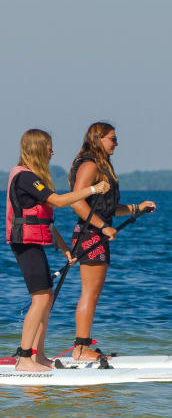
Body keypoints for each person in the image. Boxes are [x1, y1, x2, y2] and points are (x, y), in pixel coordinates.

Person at [7, 129, 111, 372]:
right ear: (37, 148)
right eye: (49, 148)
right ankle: (24, 359)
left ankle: (39, 356)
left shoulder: (34, 177)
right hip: (24, 243)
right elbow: (59, 201)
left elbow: (47, 220)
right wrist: (93, 190)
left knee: (47, 297)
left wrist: (64, 248)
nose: (52, 153)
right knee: (40, 298)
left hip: (34, 242)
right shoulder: (25, 177)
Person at [68, 122, 156, 360]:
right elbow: (77, 201)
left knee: (93, 293)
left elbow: (108, 208)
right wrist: (103, 227)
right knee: (90, 293)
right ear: (98, 139)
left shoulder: (102, 166)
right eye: (112, 139)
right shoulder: (89, 165)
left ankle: (82, 346)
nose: (116, 143)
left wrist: (137, 208)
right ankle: (80, 349)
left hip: (95, 233)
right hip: (89, 234)